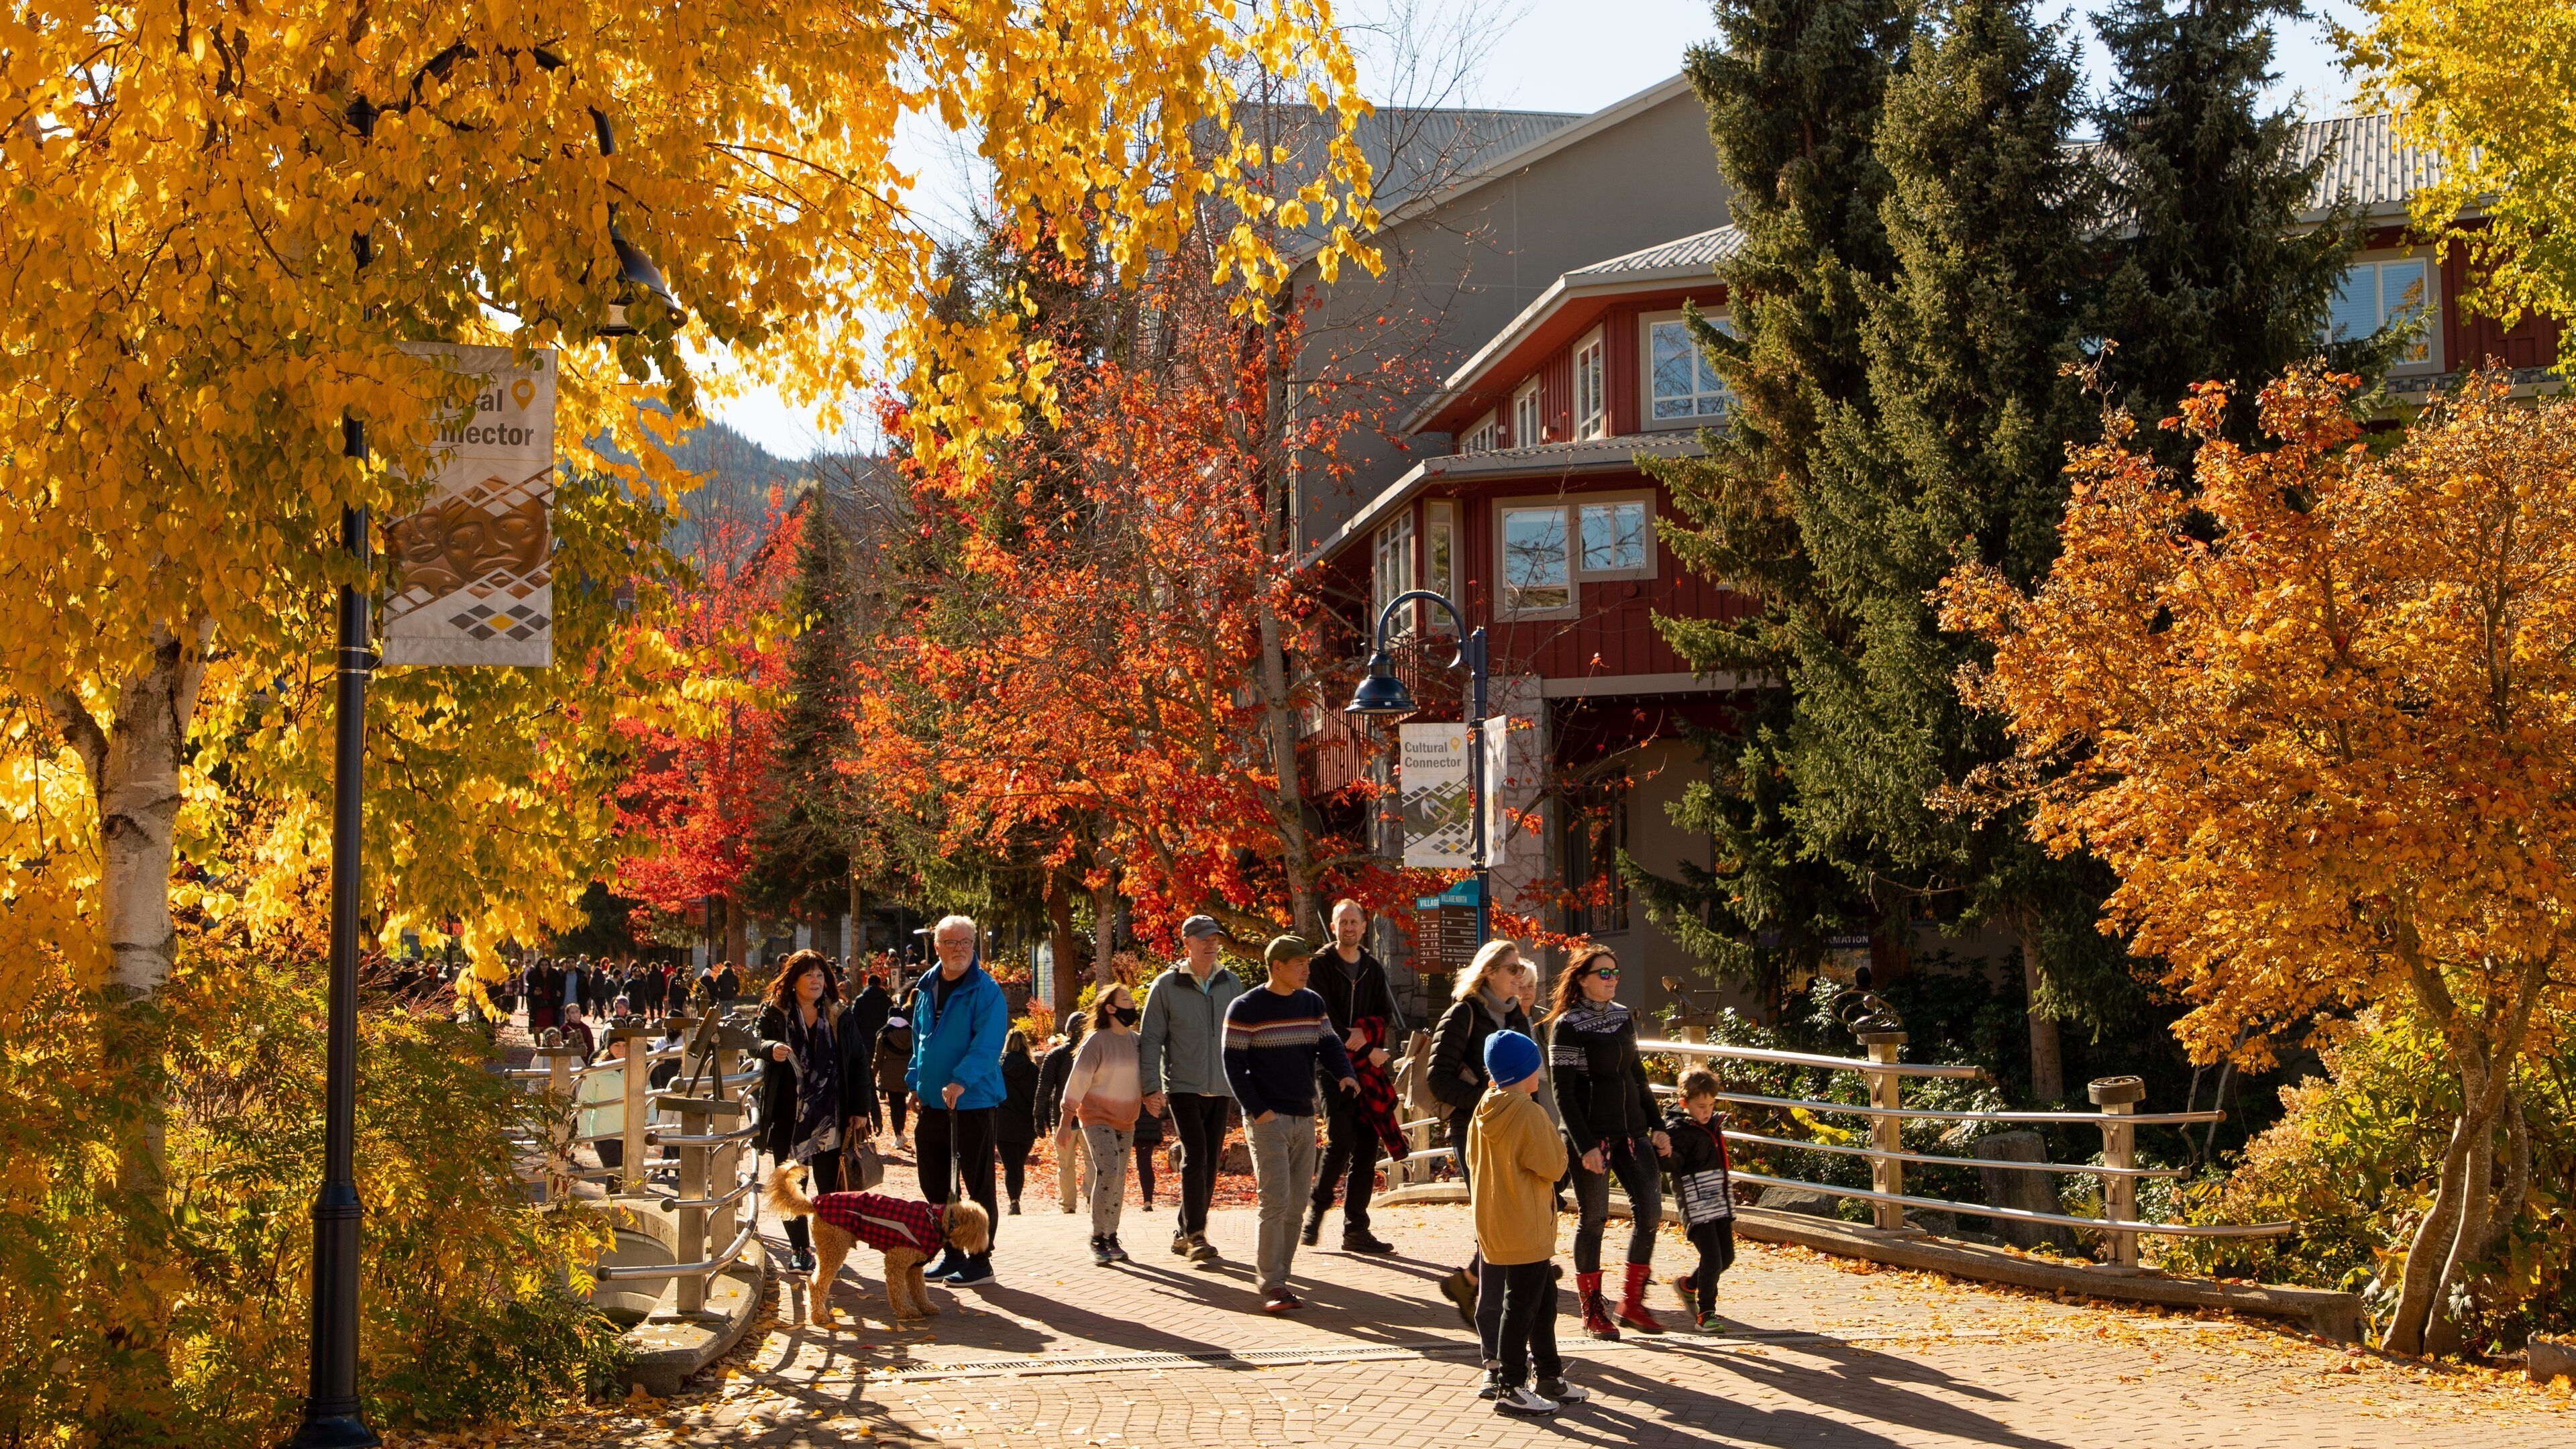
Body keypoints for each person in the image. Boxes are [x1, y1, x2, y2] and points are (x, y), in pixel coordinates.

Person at [1222, 935, 1358, 1313]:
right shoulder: (1245, 1008)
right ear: (1276, 966)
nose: (1306, 969)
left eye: (1307, 963)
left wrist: (1345, 1074)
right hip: (1268, 1120)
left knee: (1297, 1204)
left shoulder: (1312, 1003)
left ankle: (1282, 1274)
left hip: (1304, 1115)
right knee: (1276, 1201)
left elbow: (1330, 1045)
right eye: (1299, 963)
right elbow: (1233, 1064)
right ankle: (1272, 1283)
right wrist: (1257, 1110)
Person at [1547, 942, 1668, 1338]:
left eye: (1615, 972)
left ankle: (1632, 1304)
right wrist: (1585, 1147)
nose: (1612, 978)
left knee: (1650, 1212)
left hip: (1633, 1133)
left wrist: (1658, 1125)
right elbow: (1563, 1093)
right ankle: (1592, 1310)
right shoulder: (1567, 1025)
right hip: (1592, 1137)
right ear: (1582, 980)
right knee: (1594, 1218)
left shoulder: (1620, 1018)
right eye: (1604, 973)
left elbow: (1637, 1075)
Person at [1429, 941, 1540, 1366]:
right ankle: (1493, 1333)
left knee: (1506, 1218)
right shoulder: (1463, 1012)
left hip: (1515, 1126)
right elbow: (1439, 1080)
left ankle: (1482, 1290)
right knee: (1494, 1220)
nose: (1519, 975)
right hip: (1475, 1127)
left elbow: (1527, 1075)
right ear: (1490, 971)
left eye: (1519, 969)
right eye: (1511, 968)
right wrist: (1485, 1100)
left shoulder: (1514, 1014)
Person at [1468, 1028, 1586, 1415]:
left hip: (1497, 1222)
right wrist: (1560, 1141)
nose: (1540, 1077)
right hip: (1528, 1224)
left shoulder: (1485, 1108)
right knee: (1520, 1305)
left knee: (1542, 1300)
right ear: (1524, 1072)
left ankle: (1550, 1374)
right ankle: (1512, 1384)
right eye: (1536, 1068)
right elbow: (1553, 1166)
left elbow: (1472, 1163)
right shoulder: (1530, 1114)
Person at [904, 914, 1008, 1285]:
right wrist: (916, 1084)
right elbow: (920, 1042)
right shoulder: (927, 986)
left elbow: (989, 1043)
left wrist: (961, 1080)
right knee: (935, 1180)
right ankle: (952, 1253)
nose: (960, 949)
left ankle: (981, 1261)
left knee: (977, 1184)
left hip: (974, 1101)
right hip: (934, 1102)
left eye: (966, 942)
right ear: (937, 947)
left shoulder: (986, 990)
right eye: (951, 942)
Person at [1137, 914, 1246, 1264]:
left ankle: (1184, 1230)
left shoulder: (1232, 983)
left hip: (1221, 1086)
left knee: (1210, 1162)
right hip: (1183, 1086)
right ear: (1187, 943)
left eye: (1215, 937)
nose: (1211, 943)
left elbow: (1246, 1036)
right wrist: (1151, 1086)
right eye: (1203, 938)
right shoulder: (1166, 986)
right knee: (1196, 1155)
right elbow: (1151, 1039)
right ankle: (1197, 1235)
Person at [758, 949, 870, 1274]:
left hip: (830, 1116)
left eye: (820, 975)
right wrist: (769, 1048)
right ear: (793, 981)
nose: (816, 981)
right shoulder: (776, 1013)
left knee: (829, 1187)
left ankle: (828, 1245)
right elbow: (754, 1039)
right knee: (792, 1184)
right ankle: (799, 1249)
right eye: (808, 975)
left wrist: (860, 1108)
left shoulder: (839, 1014)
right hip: (787, 1116)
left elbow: (859, 1061)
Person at [1304, 898, 1400, 1254]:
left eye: (1354, 922)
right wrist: (1362, 1044)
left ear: (1363, 927)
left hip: (1367, 1068)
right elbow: (1322, 1016)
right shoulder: (1320, 966)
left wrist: (1364, 1039)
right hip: (1330, 1063)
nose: (1348, 927)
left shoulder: (1373, 968)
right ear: (1333, 927)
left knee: (1366, 1146)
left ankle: (1356, 1229)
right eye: (1342, 922)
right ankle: (1316, 1210)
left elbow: (1383, 1016)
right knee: (1340, 1136)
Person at [1058, 982, 1144, 1265]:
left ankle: (1111, 1235)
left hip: (1126, 1119)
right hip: (1095, 1117)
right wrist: (1065, 1121)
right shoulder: (1096, 1041)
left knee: (1118, 1176)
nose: (1132, 1004)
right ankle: (1097, 1236)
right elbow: (1078, 1081)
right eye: (1126, 1000)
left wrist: (1154, 1098)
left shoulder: (1137, 1042)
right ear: (1111, 1008)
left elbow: (1146, 1079)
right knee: (1109, 1169)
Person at [1660, 1068, 1737, 1332]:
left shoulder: (1711, 1126)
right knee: (1713, 1259)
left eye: (1711, 1105)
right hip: (1696, 1205)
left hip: (1719, 1201)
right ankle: (1706, 1313)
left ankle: (1688, 1285)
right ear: (1685, 1104)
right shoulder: (1679, 1131)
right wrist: (1664, 1154)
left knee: (1726, 1257)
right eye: (1701, 1106)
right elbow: (1672, 1165)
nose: (1707, 1111)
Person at [1035, 1011, 1087, 1213]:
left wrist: (1039, 1115)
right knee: (1093, 1162)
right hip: (1089, 1116)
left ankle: (1068, 1206)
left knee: (1065, 1165)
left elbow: (1044, 1088)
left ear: (1068, 1031)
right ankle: (1091, 1197)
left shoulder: (1056, 1054)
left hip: (1062, 1117)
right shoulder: (1093, 1052)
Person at [996, 1029, 1040, 1216]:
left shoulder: (997, 1067)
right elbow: (1037, 1096)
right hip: (1026, 1124)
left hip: (1003, 1123)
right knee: (1018, 1164)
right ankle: (1016, 1198)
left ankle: (1014, 1200)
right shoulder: (1032, 1069)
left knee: (1010, 1165)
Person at [873, 1018, 913, 1137]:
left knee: (894, 1105)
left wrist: (872, 1075)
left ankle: (898, 1134)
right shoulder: (912, 1034)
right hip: (905, 1074)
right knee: (902, 1104)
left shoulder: (884, 1035)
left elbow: (878, 1058)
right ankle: (901, 1129)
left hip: (889, 1075)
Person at [1132, 1090, 1165, 1212]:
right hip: (1149, 1123)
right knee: (1145, 1163)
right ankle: (1148, 1201)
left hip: (1137, 1123)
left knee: (1143, 1164)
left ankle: (1147, 1200)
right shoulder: (1154, 1079)